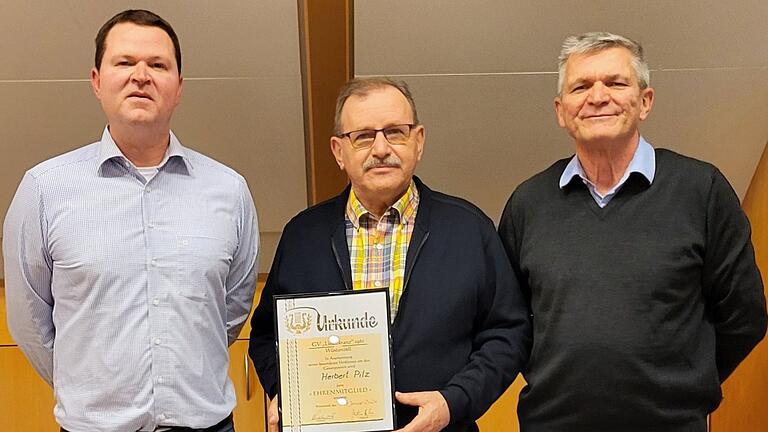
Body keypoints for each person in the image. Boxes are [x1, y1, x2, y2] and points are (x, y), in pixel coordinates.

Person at [3, 9, 259, 432]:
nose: (142, 75)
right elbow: (29, 321)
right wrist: (86, 383)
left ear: (178, 88)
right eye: (124, 63)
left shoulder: (229, 190)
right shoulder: (44, 190)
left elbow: (229, 311)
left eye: (158, 65)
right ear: (97, 81)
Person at [498, 32, 767, 431]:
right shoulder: (528, 203)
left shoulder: (701, 190)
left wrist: (685, 386)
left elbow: (744, 316)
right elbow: (508, 321)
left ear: (645, 102)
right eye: (581, 87)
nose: (598, 96)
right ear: (561, 110)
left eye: (616, 83)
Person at [249, 77, 531, 432]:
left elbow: (507, 334)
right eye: (363, 136)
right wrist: (287, 392)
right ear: (339, 151)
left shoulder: (469, 230)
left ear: (419, 141)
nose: (381, 148)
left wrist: (452, 402)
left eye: (395, 132)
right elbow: (265, 336)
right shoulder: (302, 237)